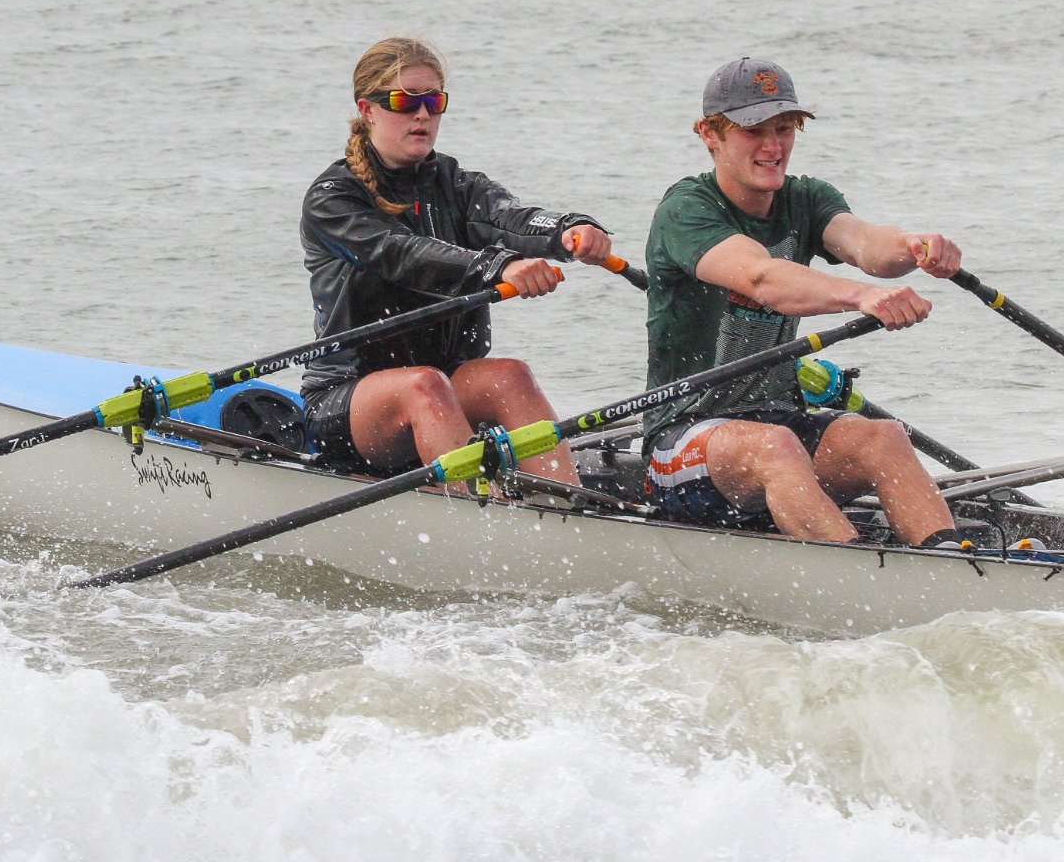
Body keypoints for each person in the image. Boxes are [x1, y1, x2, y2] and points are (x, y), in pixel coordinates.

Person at [641, 56, 970, 548]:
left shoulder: (807, 199)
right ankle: (862, 579)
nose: (773, 146)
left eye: (784, 128)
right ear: (709, 133)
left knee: (884, 438)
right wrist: (863, 297)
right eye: (754, 131)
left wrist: (915, 248)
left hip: (778, 420)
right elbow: (762, 277)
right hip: (685, 438)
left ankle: (952, 563)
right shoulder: (685, 210)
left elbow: (864, 244)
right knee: (776, 448)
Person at [301, 36, 614, 481]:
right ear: (367, 109)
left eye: (433, 100)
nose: (423, 114)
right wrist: (498, 267)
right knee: (424, 385)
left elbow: (512, 218)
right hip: (349, 402)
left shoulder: (454, 182)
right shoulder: (333, 200)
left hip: (449, 384)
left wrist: (571, 230)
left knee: (510, 375)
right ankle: (480, 525)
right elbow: (403, 254)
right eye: (405, 101)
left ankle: (560, 508)